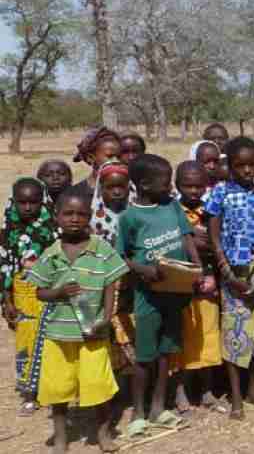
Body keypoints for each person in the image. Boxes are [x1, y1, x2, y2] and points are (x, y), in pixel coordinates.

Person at [30, 187, 127, 454]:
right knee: (58, 390)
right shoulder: (51, 253)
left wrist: (106, 320)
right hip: (59, 336)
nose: (75, 219)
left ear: (90, 217)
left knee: (98, 386)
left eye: (81, 214)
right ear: (57, 217)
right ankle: (61, 438)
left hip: (92, 335)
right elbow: (40, 292)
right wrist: (58, 292)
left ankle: (103, 433)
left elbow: (110, 285)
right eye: (68, 213)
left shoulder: (101, 249)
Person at [117, 154, 200, 432]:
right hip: (148, 296)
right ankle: (138, 412)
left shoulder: (172, 206)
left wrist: (197, 267)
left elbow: (187, 237)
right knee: (145, 356)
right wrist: (144, 270)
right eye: (164, 183)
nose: (170, 187)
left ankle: (158, 408)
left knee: (167, 352)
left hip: (175, 293)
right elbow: (123, 257)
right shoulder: (129, 217)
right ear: (142, 184)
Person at [205, 137, 254, 419]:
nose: (247, 171)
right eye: (240, 166)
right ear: (230, 166)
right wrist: (226, 272)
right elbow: (214, 237)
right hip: (232, 273)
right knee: (235, 335)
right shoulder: (220, 193)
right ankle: (236, 396)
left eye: (251, 165)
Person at [0, 178, 59, 416]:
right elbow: (3, 266)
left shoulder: (53, 228)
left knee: (51, 341)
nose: (27, 207)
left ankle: (52, 390)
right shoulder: (8, 230)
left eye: (33, 201)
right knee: (26, 342)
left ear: (42, 201)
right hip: (21, 293)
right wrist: (6, 300)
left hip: (50, 293)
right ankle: (28, 393)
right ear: (13, 202)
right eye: (22, 202)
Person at [170, 161, 224, 414]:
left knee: (207, 336)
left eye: (198, 186)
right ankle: (181, 391)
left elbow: (218, 241)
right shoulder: (171, 211)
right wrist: (190, 234)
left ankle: (207, 391)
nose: (193, 190)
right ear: (177, 185)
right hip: (180, 284)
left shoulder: (211, 209)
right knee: (182, 339)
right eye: (187, 185)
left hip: (209, 283)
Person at [73, 126, 121, 197]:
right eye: (110, 156)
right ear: (90, 158)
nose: (116, 161)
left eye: (119, 156)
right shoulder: (75, 195)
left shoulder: (130, 191)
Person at [89, 161, 129, 246]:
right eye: (110, 187)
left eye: (121, 187)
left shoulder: (138, 214)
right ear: (101, 188)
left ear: (129, 187)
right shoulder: (90, 219)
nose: (117, 192)